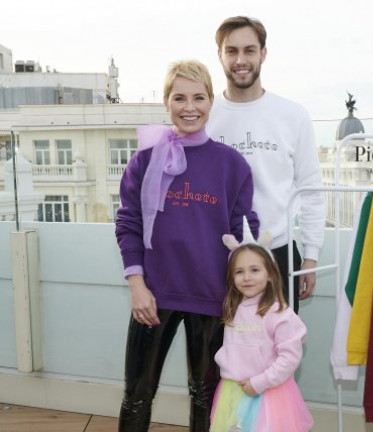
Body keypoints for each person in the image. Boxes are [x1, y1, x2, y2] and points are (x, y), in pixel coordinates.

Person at [115, 59, 258, 432]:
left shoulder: (233, 165)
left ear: (211, 101)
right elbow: (129, 223)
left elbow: (244, 233)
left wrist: (246, 291)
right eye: (179, 97)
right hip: (153, 297)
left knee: (206, 396)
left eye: (198, 97)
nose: (189, 107)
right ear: (166, 102)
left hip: (212, 296)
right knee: (137, 393)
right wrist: (137, 285)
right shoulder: (145, 159)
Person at [206, 16, 326, 312]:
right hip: (219, 257)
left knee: (281, 352)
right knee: (221, 354)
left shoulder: (292, 115)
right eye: (231, 51)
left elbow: (311, 190)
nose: (240, 59)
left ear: (263, 53)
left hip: (279, 255)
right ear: (220, 55)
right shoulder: (204, 115)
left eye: (249, 50)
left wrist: (310, 258)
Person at [210, 231, 313, 431]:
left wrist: (259, 383)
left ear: (270, 274)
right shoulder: (234, 308)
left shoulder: (280, 313)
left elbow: (290, 357)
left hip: (268, 394)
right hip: (233, 390)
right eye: (239, 272)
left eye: (255, 270)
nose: (246, 277)